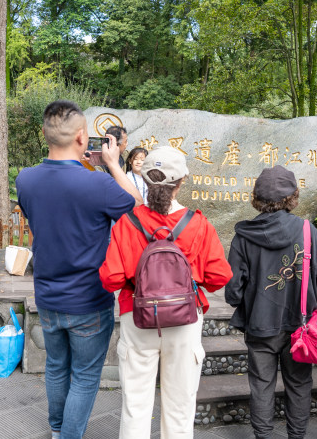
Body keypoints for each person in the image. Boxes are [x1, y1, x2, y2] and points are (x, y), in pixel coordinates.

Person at [16, 100, 142, 439]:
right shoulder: (98, 186)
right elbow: (137, 210)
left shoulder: (25, 180)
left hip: (47, 294)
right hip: (89, 298)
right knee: (86, 375)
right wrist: (115, 166)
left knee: (56, 367)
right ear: (83, 138)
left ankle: (57, 430)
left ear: (45, 135)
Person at [100, 146, 232, 438]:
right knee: (180, 407)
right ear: (182, 180)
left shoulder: (127, 223)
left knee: (135, 406)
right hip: (185, 321)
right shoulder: (198, 224)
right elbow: (220, 275)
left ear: (145, 181)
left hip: (138, 316)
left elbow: (110, 278)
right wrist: (191, 285)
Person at [224, 165, 317, 439]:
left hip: (259, 325)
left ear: (257, 198)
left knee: (261, 384)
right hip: (301, 326)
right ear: (292, 196)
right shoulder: (307, 232)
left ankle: (263, 436)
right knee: (299, 383)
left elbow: (232, 292)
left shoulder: (243, 237)